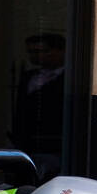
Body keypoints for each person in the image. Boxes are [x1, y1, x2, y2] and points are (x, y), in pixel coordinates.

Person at [12, 33, 66, 179]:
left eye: (41, 51)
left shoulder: (70, 78)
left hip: (55, 144)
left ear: (59, 51)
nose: (35, 57)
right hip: (28, 143)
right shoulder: (29, 76)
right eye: (31, 52)